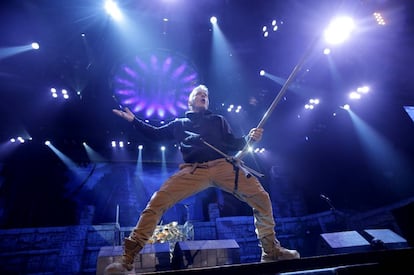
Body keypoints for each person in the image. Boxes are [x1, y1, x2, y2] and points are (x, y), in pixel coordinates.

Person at [105, 84, 300, 274]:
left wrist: (250, 137)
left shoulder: (218, 120)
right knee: (158, 201)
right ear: (190, 101)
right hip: (193, 170)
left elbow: (233, 143)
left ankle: (271, 251)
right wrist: (134, 121)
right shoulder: (179, 124)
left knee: (261, 197)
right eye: (199, 94)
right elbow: (155, 134)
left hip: (223, 166)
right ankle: (128, 259)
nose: (204, 96)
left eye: (206, 95)